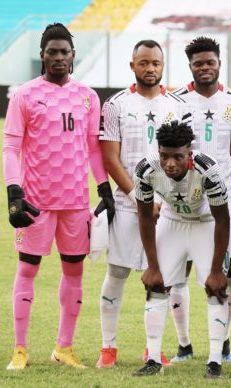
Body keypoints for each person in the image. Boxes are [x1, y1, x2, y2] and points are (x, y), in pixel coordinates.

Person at [3, 23, 114, 370]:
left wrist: (104, 187)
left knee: (74, 274)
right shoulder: (24, 95)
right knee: (27, 270)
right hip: (36, 203)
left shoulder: (88, 96)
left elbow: (94, 148)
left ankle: (63, 347)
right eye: (52, 51)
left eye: (64, 51)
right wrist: (14, 191)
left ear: (73, 55)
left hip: (75, 203)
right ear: (42, 55)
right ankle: (20, 349)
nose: (58, 57)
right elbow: (10, 146)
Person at [97, 39, 192, 368]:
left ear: (162, 66)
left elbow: (185, 159)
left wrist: (167, 201)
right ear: (132, 65)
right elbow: (110, 158)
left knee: (162, 276)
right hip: (128, 204)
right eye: (144, 63)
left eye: (156, 63)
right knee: (118, 272)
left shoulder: (179, 105)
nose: (150, 68)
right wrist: (140, 197)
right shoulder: (115, 105)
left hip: (167, 210)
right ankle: (108, 347)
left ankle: (153, 349)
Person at [132, 121, 230, 377]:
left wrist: (217, 269)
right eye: (165, 156)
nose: (170, 163)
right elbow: (144, 217)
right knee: (156, 285)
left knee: (215, 289)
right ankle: (153, 358)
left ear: (190, 152)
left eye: (178, 156)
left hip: (206, 223)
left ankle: (215, 361)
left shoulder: (208, 170)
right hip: (172, 221)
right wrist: (152, 266)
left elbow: (223, 219)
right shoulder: (146, 169)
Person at [170, 36, 231, 363]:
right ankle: (184, 345)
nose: (204, 67)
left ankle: (224, 343)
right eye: (198, 63)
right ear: (191, 66)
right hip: (183, 199)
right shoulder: (176, 101)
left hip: (224, 199)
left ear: (219, 63)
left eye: (210, 62)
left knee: (228, 273)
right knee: (179, 269)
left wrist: (221, 174)